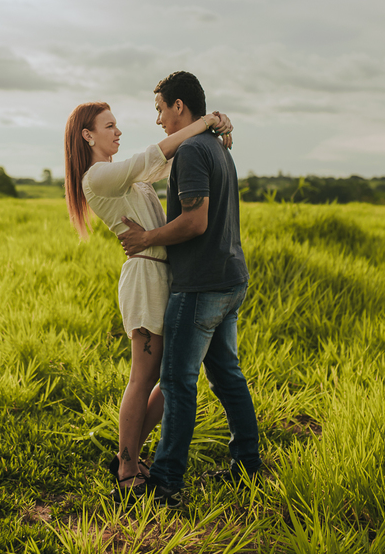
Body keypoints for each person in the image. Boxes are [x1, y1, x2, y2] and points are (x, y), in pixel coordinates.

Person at [64, 100, 234, 497]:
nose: (118, 131)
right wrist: (207, 120)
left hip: (164, 276)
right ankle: (126, 467)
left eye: (116, 124)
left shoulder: (129, 179)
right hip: (144, 277)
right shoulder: (98, 177)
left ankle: (130, 455)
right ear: (88, 136)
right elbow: (154, 154)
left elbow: (175, 159)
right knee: (143, 377)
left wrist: (214, 129)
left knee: (169, 377)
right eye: (109, 126)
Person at [118, 71, 261, 509]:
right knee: (228, 376)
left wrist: (146, 239)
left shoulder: (193, 152)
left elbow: (196, 221)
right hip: (230, 280)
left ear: (180, 106)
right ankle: (248, 465)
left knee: (177, 384)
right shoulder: (217, 147)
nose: (159, 119)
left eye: (161, 108)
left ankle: (166, 481)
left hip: (200, 286)